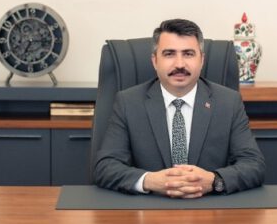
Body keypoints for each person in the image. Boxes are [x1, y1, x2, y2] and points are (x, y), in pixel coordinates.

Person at [93, 19, 265, 197]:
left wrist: (214, 181)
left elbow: (253, 164)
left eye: (188, 54)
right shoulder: (128, 102)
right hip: (149, 207)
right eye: (169, 54)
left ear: (202, 60)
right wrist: (149, 180)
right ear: (155, 61)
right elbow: (105, 167)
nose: (180, 64)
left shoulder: (228, 102)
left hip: (210, 207)